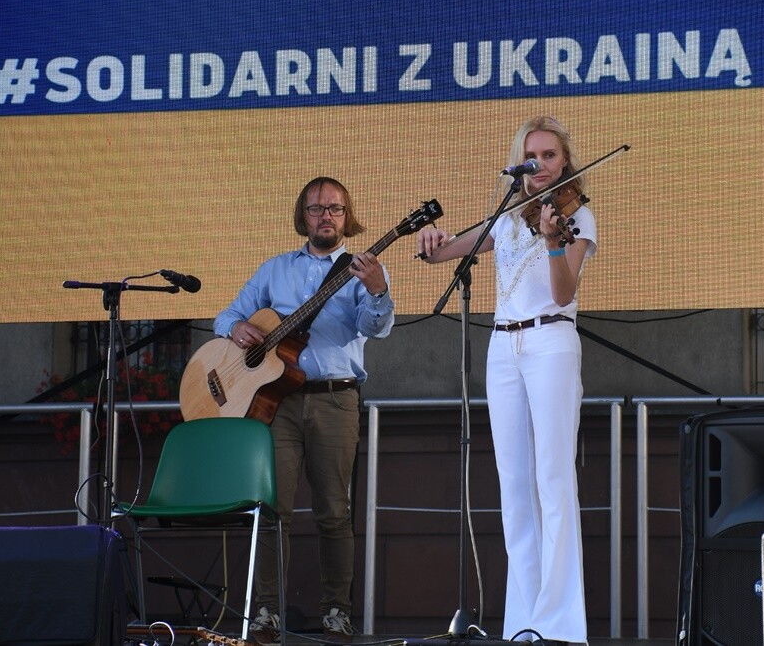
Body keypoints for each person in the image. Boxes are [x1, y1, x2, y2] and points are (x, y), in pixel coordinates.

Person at [415, 116, 596, 645]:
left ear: (565, 161)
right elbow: (446, 251)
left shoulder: (578, 216)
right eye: (531, 156)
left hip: (550, 341)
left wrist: (555, 243)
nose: (540, 165)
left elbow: (563, 293)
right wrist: (431, 240)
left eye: (550, 155)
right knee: (514, 488)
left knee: (553, 482)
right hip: (503, 347)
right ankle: (523, 623)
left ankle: (560, 624)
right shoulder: (508, 217)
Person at [213, 176, 394, 645]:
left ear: (346, 216)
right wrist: (236, 330)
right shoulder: (275, 269)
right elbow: (226, 316)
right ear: (304, 217)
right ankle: (266, 612)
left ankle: (337, 612)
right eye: (316, 208)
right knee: (273, 510)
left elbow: (375, 328)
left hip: (335, 398)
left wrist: (377, 292)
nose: (326, 216)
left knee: (334, 511)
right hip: (278, 401)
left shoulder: (362, 269)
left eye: (335, 208)